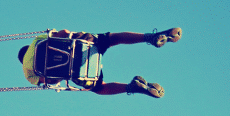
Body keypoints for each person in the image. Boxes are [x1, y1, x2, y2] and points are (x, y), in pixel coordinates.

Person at [18, 28, 181, 98]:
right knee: (112, 39)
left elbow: (50, 81)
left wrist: (61, 74)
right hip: (83, 44)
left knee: (99, 88)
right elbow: (64, 33)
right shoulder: (36, 41)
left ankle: (132, 87)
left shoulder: (27, 73)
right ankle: (149, 37)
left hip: (76, 72)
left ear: (22, 61)